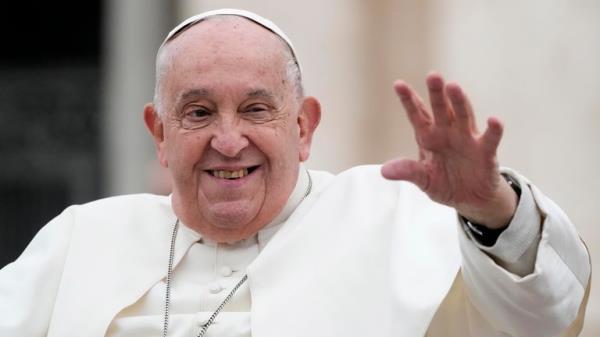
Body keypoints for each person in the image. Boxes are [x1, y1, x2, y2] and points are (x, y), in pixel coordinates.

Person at [0, 8, 590, 337]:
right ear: (159, 133)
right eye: (198, 112)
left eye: (257, 109)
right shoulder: (81, 239)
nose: (227, 142)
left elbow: (545, 318)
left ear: (304, 127)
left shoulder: (395, 218)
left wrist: (489, 209)